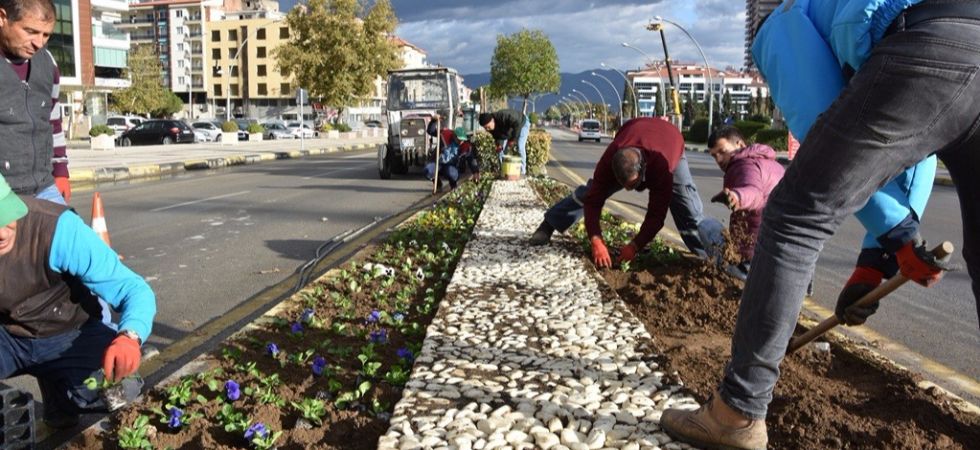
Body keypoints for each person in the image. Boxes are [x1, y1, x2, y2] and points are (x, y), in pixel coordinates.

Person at [660, 1, 974, 449]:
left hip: (922, 42)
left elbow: (815, 119)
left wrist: (897, 235)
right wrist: (875, 257)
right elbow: (915, 151)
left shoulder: (781, 23)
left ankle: (737, 411)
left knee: (792, 214)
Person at [0, 172, 156, 428]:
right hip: (8, 334)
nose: (2, 233)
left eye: (6, 217)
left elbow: (133, 289)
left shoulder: (56, 228)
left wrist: (129, 337)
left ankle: (59, 393)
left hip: (68, 331)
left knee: (119, 391)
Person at [528, 117, 706, 266]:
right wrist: (596, 239)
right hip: (634, 132)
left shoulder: (662, 167)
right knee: (589, 192)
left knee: (687, 205)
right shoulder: (608, 161)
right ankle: (548, 224)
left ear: (643, 169)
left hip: (670, 141)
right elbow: (593, 201)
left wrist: (635, 246)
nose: (628, 189)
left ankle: (706, 254)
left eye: (632, 184)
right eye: (623, 184)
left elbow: (656, 216)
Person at [0, 0, 70, 205]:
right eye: (30, 31)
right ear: (3, 18)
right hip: (4, 191)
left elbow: (53, 120)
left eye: (46, 35)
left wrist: (61, 171)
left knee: (77, 235)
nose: (39, 43)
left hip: (44, 186)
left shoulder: (48, 63)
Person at [699, 126, 785, 280]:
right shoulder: (774, 165)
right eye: (714, 156)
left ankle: (738, 275)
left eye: (722, 152)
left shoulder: (743, 165)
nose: (718, 160)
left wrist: (737, 197)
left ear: (740, 145)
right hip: (783, 256)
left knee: (706, 226)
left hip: (754, 259)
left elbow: (754, 192)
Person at [479, 108, 529, 175]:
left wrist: (512, 140)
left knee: (520, 147)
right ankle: (504, 171)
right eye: (485, 128)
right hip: (507, 130)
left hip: (522, 123)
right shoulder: (490, 128)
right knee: (500, 151)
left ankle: (523, 172)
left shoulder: (503, 115)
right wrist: (499, 145)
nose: (487, 129)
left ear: (492, 120)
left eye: (488, 127)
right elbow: (497, 136)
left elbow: (517, 124)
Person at [424, 125, 465, 191]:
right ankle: (438, 184)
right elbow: (431, 131)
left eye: (462, 140)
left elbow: (470, 158)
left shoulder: (463, 145)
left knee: (451, 173)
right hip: (438, 163)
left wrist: (475, 171)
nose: (461, 141)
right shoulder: (445, 135)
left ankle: (453, 185)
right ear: (454, 136)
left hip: (451, 166)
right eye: (459, 139)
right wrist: (433, 121)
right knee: (428, 170)